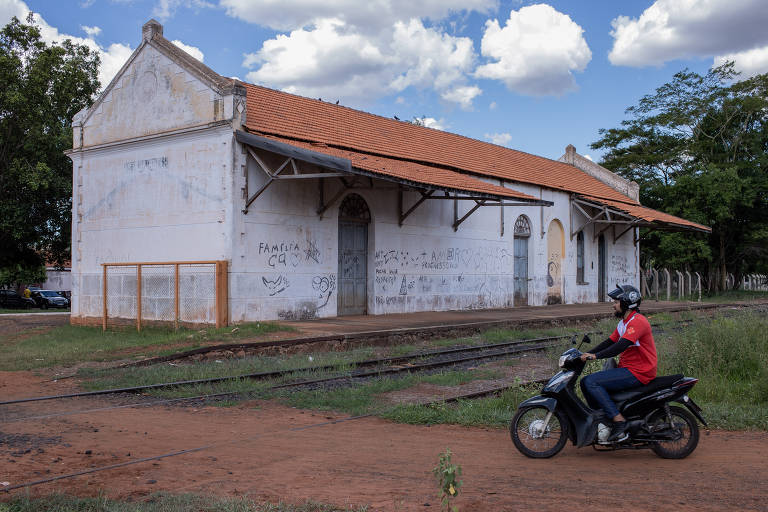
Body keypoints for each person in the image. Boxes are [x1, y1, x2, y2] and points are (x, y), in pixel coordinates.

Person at [579, 284, 657, 442]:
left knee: (591, 382)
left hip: (639, 372)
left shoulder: (638, 322)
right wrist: (586, 354)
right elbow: (609, 341)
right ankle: (602, 419)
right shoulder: (624, 323)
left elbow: (620, 346)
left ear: (627, 303)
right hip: (629, 369)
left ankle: (619, 420)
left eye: (616, 301)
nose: (613, 304)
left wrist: (595, 356)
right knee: (584, 382)